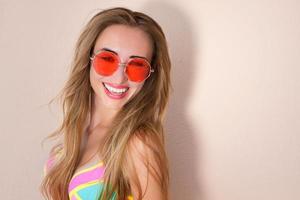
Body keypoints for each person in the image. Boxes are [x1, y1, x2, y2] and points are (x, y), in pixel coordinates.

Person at [40, 7, 171, 200]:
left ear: (150, 76)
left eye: (137, 66)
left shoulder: (139, 144)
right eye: (107, 60)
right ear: (88, 59)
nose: (119, 79)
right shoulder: (74, 131)